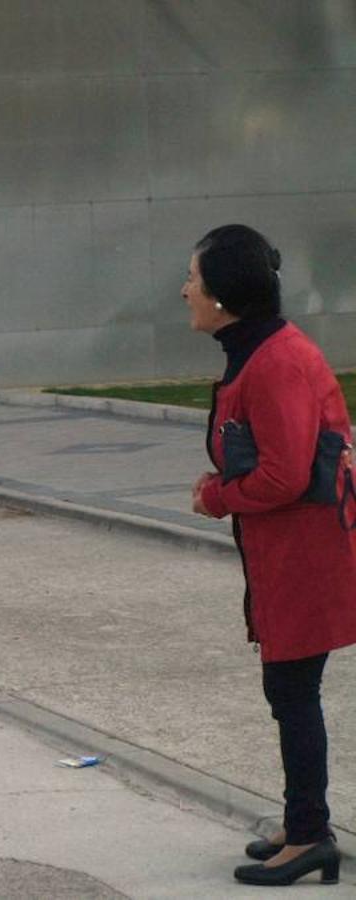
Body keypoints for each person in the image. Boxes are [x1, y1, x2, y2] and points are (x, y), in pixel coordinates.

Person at [186, 225, 356, 887]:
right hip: (287, 551)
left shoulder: (277, 360)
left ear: (224, 296)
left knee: (292, 689)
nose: (185, 291)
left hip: (306, 554)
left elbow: (284, 474)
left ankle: (312, 836)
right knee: (288, 689)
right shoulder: (257, 350)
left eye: (193, 280)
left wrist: (216, 496)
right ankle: (303, 818)